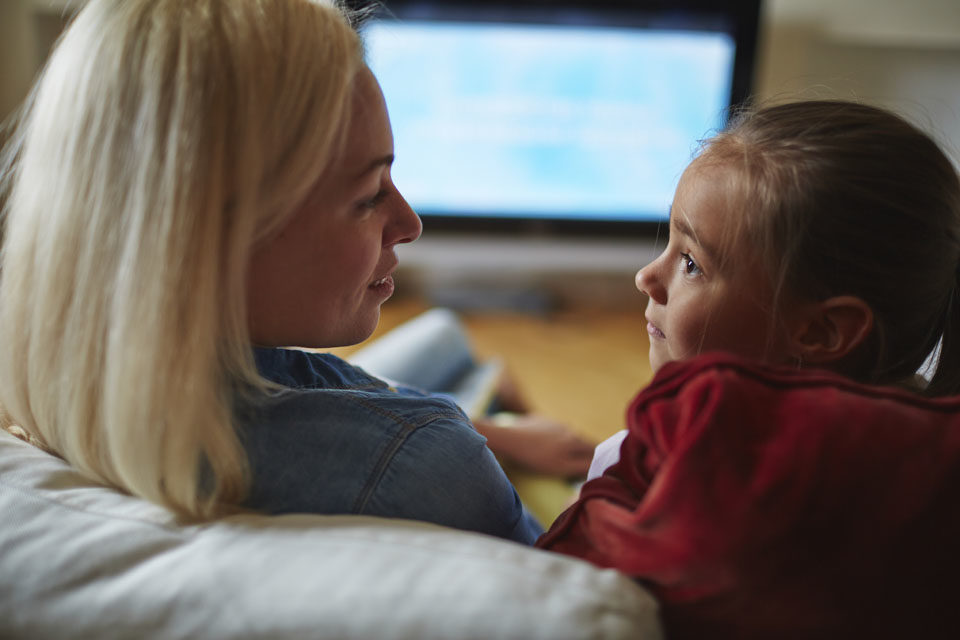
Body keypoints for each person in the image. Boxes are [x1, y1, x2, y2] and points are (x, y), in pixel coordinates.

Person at [0, 0, 566, 544]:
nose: (409, 224)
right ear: (208, 238)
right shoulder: (429, 460)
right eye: (370, 195)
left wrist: (498, 437)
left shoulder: (60, 371)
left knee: (444, 333)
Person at [537, 100, 960, 637]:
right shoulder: (922, 465)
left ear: (822, 333)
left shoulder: (662, 469)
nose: (648, 276)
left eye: (691, 262)